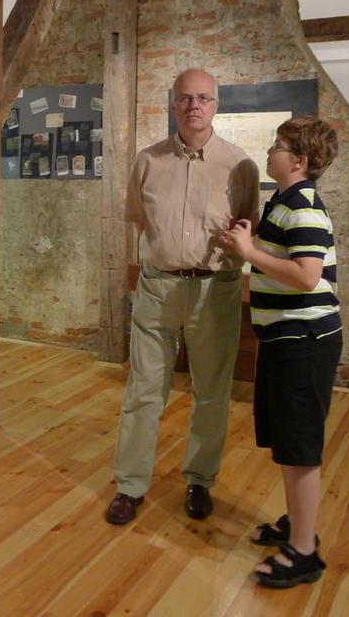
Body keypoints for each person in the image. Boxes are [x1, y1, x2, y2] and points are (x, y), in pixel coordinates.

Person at [105, 68, 260, 526]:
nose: (195, 106)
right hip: (159, 287)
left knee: (211, 391)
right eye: (186, 98)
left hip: (216, 290)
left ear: (217, 105)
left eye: (204, 98)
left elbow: (248, 226)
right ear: (173, 105)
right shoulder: (147, 161)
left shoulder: (240, 165)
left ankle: (199, 480)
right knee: (142, 391)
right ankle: (130, 485)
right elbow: (139, 218)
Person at [220, 115, 341, 588]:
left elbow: (307, 275)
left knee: (299, 449)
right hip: (286, 339)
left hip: (304, 343)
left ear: (300, 160)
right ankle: (298, 526)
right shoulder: (284, 200)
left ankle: (304, 553)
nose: (269, 152)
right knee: (289, 444)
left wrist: (249, 253)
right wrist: (247, 242)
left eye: (278, 146)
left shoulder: (303, 204)